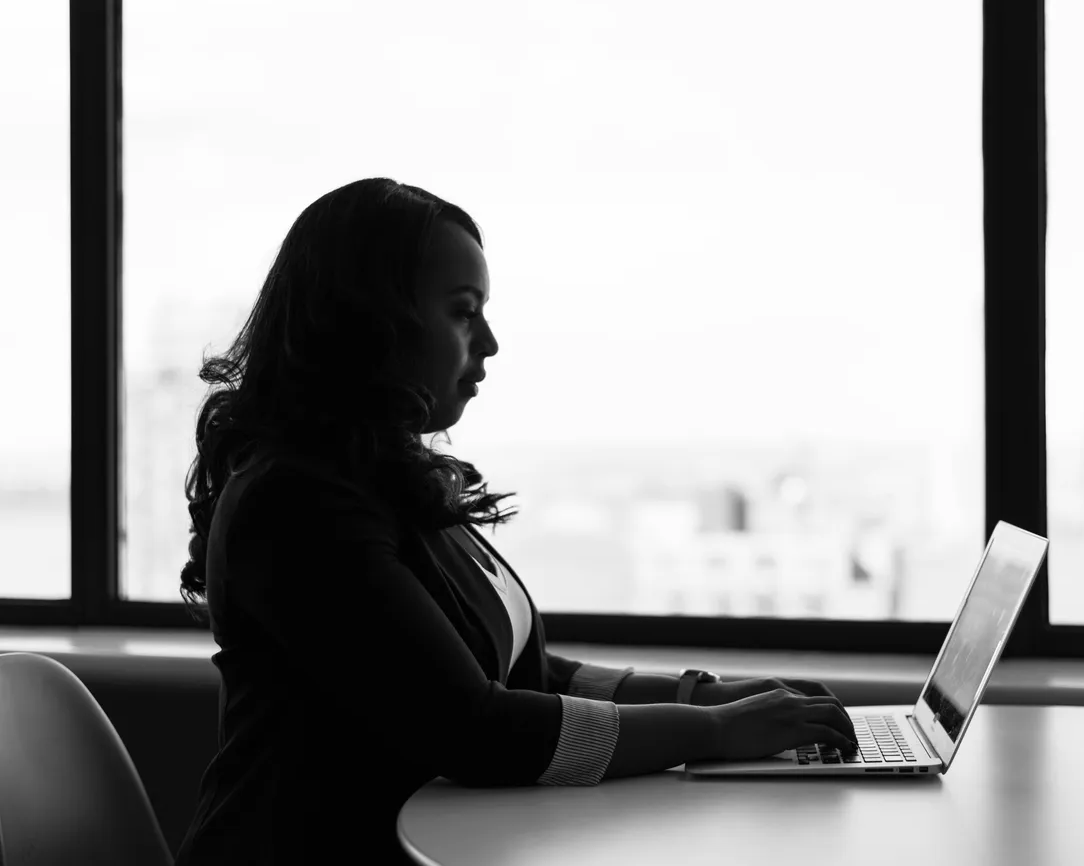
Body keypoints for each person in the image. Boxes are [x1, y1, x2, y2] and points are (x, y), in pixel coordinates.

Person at [172, 177, 858, 865]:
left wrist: (697, 695)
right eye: (464, 312)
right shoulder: (295, 505)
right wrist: (712, 731)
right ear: (370, 323)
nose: (491, 343)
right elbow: (475, 726)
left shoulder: (381, 475)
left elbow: (521, 674)